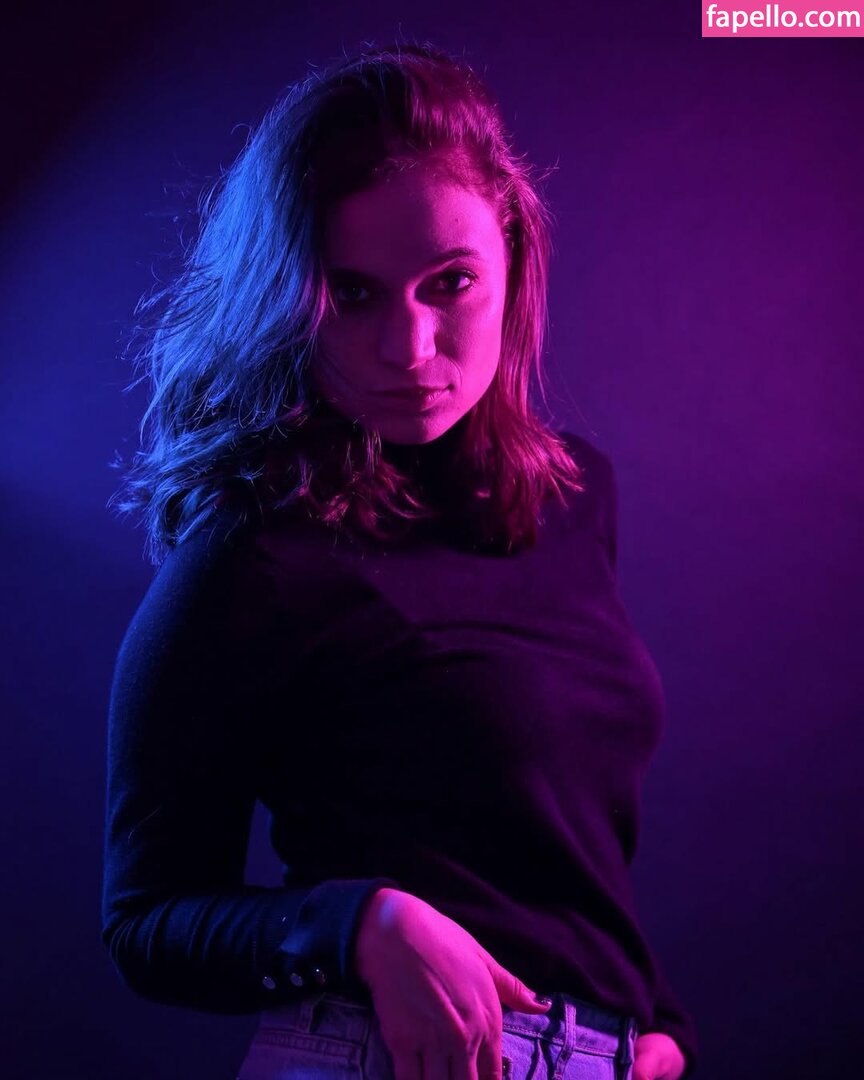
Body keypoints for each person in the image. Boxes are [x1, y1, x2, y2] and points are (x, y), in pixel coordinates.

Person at [101, 40, 699, 1080]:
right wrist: (358, 924)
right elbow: (145, 921)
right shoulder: (255, 549)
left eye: (449, 283)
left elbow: (563, 841)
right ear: (290, 298)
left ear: (512, 261)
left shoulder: (572, 498)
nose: (409, 349)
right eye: (354, 296)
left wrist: (651, 1027)